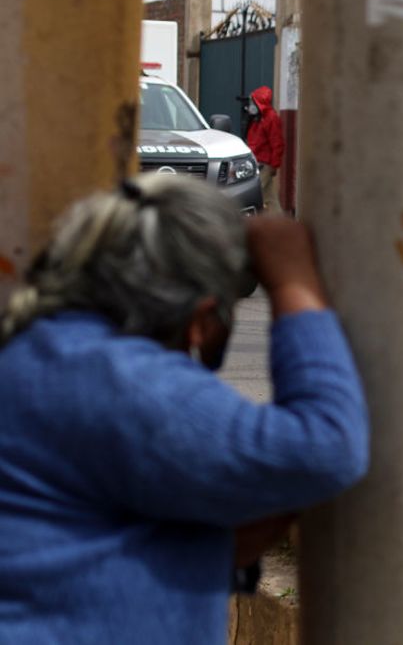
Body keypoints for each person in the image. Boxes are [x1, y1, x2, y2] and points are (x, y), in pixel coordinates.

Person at [0, 175, 369, 643]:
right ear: (201, 318)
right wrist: (294, 282)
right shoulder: (119, 378)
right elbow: (327, 444)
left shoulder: (47, 355)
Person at [246, 85, 285, 212]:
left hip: (264, 165)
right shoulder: (258, 119)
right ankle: (280, 223)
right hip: (258, 163)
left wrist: (274, 165)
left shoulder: (270, 118)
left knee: (253, 194)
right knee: (269, 198)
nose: (250, 105)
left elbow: (277, 143)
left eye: (252, 102)